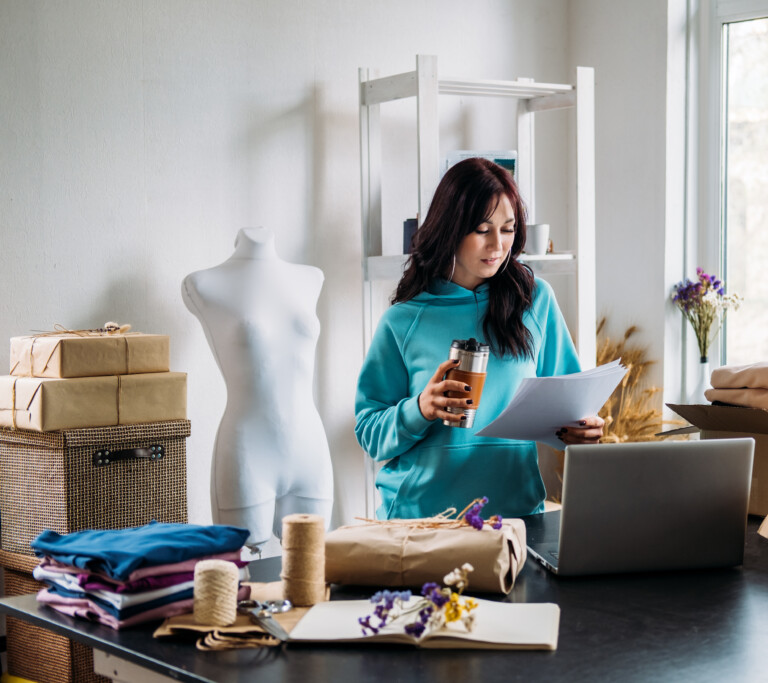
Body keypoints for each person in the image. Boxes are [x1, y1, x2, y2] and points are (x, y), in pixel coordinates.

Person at [355, 158, 604, 520]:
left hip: (515, 518)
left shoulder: (535, 300)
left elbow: (569, 405)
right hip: (421, 521)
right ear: (450, 229)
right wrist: (420, 409)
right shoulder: (403, 320)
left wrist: (581, 429)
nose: (498, 245)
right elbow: (369, 431)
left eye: (508, 229)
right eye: (483, 229)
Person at [182, 227, 334, 548]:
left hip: (310, 447)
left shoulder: (310, 278)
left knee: (311, 569)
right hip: (247, 452)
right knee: (242, 578)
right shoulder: (204, 283)